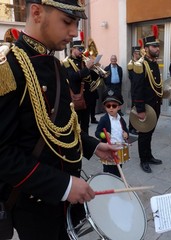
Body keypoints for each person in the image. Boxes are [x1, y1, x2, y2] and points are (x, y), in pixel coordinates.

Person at [0, 1, 117, 239]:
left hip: (64, 198)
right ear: (36, 12)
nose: (74, 32)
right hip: (35, 204)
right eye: (67, 22)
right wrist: (62, 186)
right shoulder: (8, 69)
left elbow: (61, 125)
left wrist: (92, 146)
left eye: (76, 23)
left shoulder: (54, 63)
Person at [130, 28, 163, 173]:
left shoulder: (154, 63)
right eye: (154, 46)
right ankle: (143, 160)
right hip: (146, 107)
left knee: (150, 133)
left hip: (155, 104)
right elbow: (137, 89)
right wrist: (140, 110)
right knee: (144, 134)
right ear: (146, 48)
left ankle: (149, 156)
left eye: (157, 46)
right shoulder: (140, 65)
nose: (157, 48)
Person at [63, 40, 95, 134]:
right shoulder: (67, 62)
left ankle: (86, 146)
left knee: (86, 124)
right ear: (73, 49)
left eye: (82, 49)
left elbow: (89, 78)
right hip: (76, 97)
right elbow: (73, 77)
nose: (82, 51)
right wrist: (87, 68)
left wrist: (96, 70)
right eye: (80, 49)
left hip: (87, 97)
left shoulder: (84, 61)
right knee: (77, 125)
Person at [95, 89, 129, 177]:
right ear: (105, 107)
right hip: (108, 150)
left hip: (118, 149)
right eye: (108, 106)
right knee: (108, 171)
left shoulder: (121, 119)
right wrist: (103, 135)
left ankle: (117, 182)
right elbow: (97, 133)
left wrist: (126, 134)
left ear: (119, 107)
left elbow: (126, 130)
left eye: (114, 106)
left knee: (118, 170)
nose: (111, 108)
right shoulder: (104, 119)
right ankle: (109, 184)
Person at [127, 46, 141, 135]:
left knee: (139, 109)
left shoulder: (140, 62)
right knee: (134, 109)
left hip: (140, 89)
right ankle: (131, 127)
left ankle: (138, 126)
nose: (138, 54)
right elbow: (132, 77)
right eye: (136, 53)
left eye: (139, 53)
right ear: (133, 54)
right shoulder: (131, 63)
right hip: (135, 89)